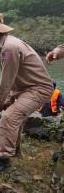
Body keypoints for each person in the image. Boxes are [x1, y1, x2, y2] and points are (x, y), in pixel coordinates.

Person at [0, 11, 53, 173]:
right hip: (24, 87)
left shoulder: (9, 47)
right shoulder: (4, 45)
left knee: (9, 117)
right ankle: (15, 148)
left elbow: (7, 78)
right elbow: (13, 78)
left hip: (38, 88)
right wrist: (7, 98)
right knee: (17, 117)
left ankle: (2, 160)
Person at [46, 45, 64, 191]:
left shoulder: (57, 93)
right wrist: (57, 52)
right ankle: (55, 183)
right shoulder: (48, 92)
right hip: (47, 113)